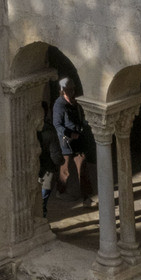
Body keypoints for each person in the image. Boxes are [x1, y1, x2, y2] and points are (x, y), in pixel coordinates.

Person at [52, 74, 94, 202]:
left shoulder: (74, 102)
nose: (71, 92)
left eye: (72, 89)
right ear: (62, 90)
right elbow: (57, 124)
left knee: (83, 167)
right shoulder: (59, 105)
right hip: (66, 142)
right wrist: (70, 134)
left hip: (78, 141)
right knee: (65, 170)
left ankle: (86, 197)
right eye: (68, 89)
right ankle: (61, 190)